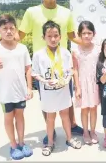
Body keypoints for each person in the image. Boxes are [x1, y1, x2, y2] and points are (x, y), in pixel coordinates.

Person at [0, 0, 84, 144]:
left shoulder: (66, 12)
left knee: (66, 97)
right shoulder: (31, 12)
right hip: (42, 66)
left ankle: (73, 125)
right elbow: (19, 35)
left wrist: (89, 43)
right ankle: (51, 130)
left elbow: (71, 35)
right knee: (46, 100)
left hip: (62, 64)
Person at [31, 21, 82, 156]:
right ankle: (50, 143)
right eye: (49, 36)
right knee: (50, 117)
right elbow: (34, 73)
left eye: (56, 35)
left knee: (65, 116)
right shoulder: (38, 55)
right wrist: (44, 80)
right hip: (48, 92)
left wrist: (66, 80)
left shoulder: (65, 53)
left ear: (60, 37)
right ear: (43, 37)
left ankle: (69, 138)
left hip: (63, 90)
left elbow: (70, 70)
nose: (53, 39)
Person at [0, 14, 33, 160]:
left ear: (15, 29)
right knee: (8, 117)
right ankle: (13, 146)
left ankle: (22, 143)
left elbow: (28, 69)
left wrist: (30, 88)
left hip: (20, 91)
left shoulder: (22, 48)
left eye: (11, 28)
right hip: (5, 93)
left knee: (20, 116)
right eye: (4, 28)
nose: (8, 31)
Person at [72, 21, 100, 145]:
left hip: (95, 84)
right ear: (79, 35)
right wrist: (77, 87)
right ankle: (85, 132)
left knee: (93, 108)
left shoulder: (98, 49)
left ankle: (93, 131)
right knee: (84, 109)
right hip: (82, 84)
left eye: (89, 33)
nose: (87, 36)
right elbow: (75, 70)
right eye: (84, 33)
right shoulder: (75, 51)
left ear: (94, 33)